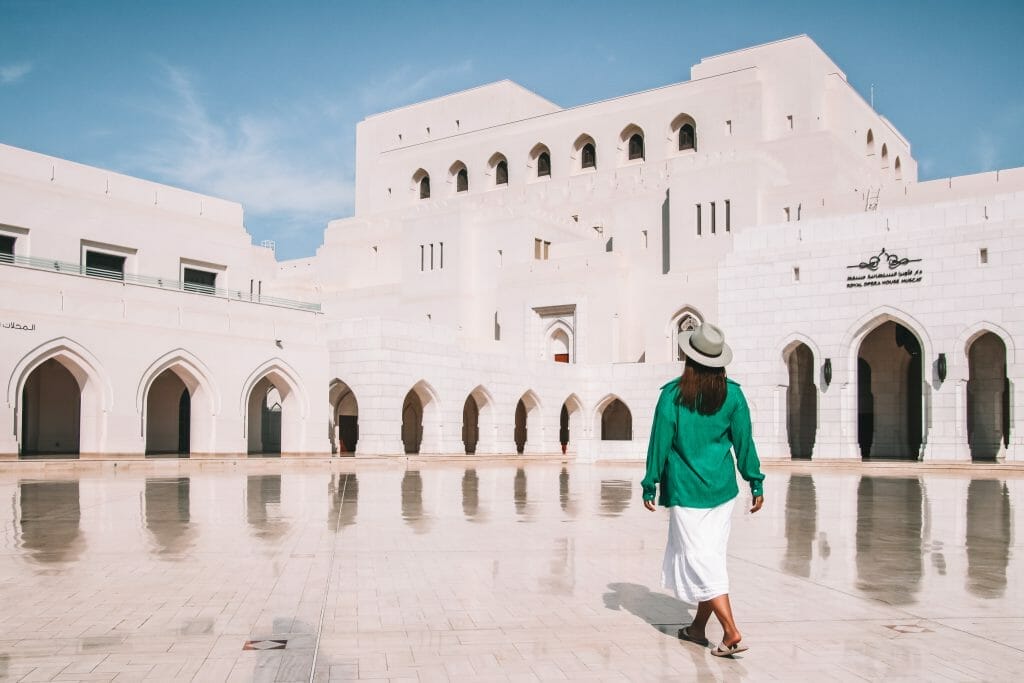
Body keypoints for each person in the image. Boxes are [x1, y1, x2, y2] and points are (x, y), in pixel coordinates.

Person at [641, 322, 764, 657]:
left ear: (689, 359)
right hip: (722, 491)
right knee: (710, 558)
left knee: (701, 559)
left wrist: (650, 482)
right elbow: (744, 443)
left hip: (686, 490)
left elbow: (659, 442)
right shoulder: (733, 395)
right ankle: (697, 628)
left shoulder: (672, 395)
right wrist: (754, 480)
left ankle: (731, 631)